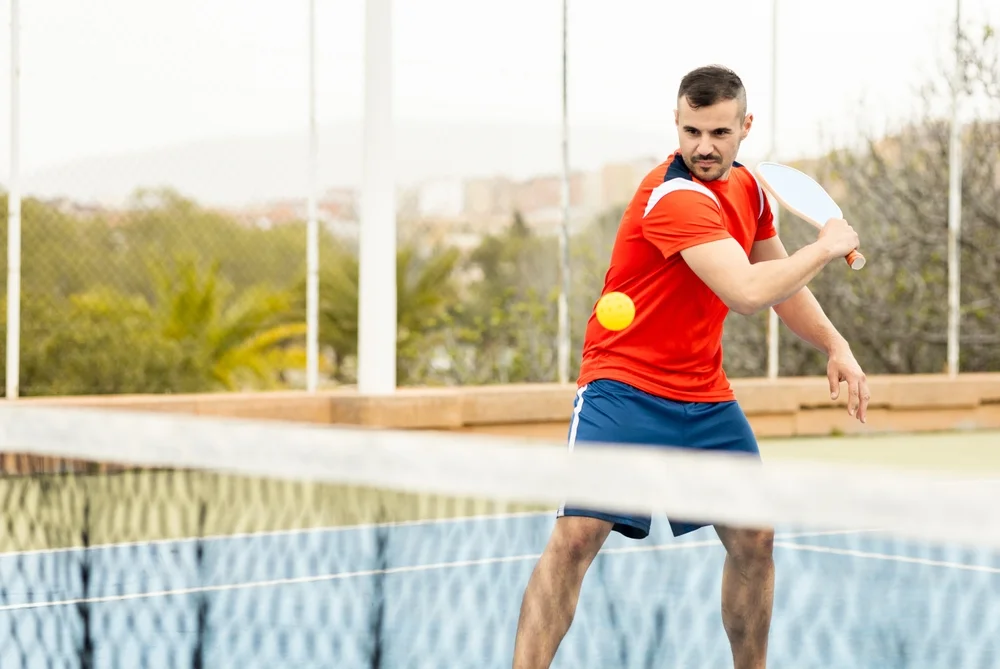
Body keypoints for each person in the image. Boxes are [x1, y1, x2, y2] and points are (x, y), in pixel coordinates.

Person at [511, 65, 870, 669]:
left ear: (745, 127)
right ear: (676, 124)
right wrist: (825, 247)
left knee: (755, 538)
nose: (704, 146)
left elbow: (782, 287)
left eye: (719, 132)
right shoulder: (673, 197)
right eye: (691, 130)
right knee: (576, 538)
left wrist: (837, 345)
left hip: (703, 394)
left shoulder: (750, 191)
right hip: (622, 386)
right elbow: (749, 292)